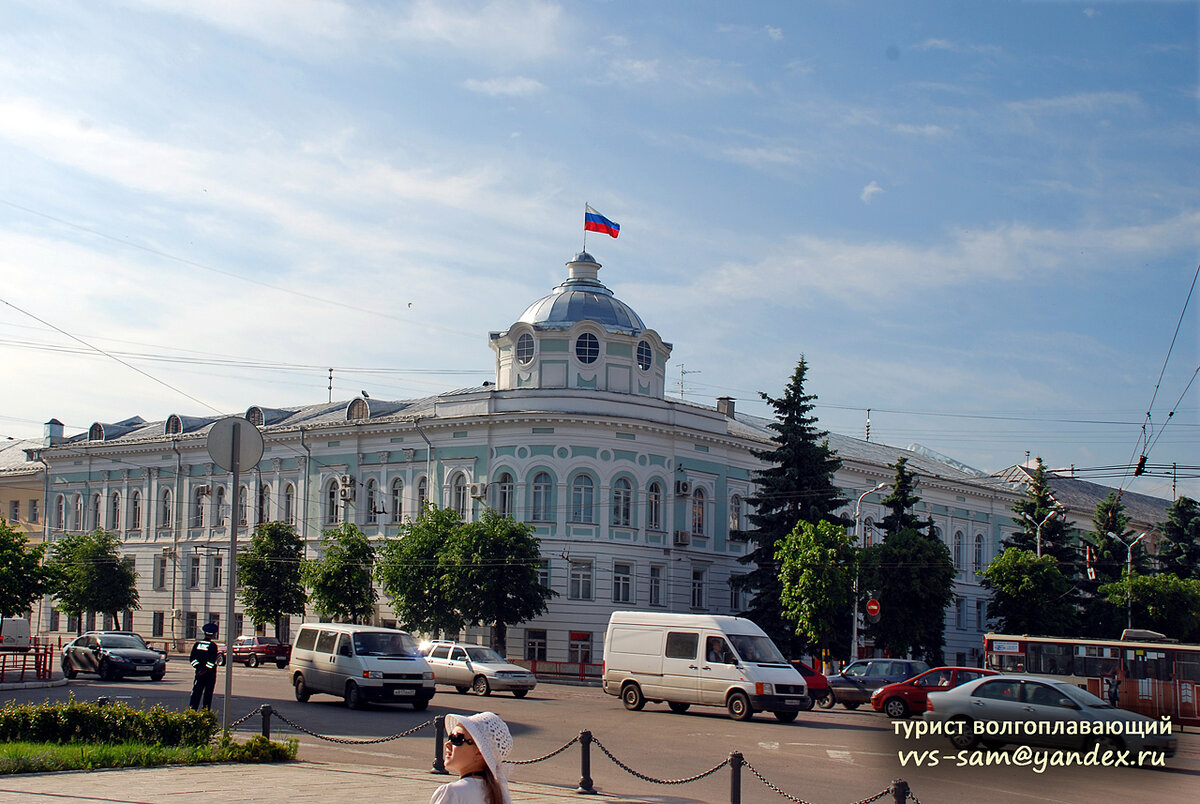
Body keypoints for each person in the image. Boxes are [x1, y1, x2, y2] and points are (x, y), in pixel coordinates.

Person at [430, 712, 513, 804]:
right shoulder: (499, 795)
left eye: (456, 739)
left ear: (479, 752)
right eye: (449, 737)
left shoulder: (452, 792)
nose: (447, 744)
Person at [188, 622, 220, 711]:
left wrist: (199, 669)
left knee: (196, 693)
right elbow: (212, 661)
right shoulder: (213, 646)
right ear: (213, 634)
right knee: (208, 694)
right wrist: (205, 669)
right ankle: (205, 712)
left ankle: (192, 711)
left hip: (198, 674)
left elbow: (192, 659)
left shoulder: (197, 644)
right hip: (209, 674)